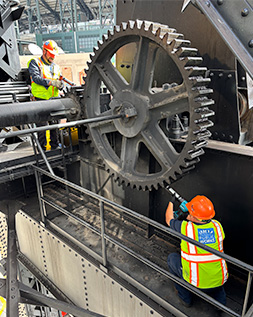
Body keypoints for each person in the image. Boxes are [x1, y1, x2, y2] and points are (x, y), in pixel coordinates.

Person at [165, 195, 228, 308]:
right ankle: (221, 306)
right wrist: (193, 212)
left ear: (195, 217)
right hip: (220, 280)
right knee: (215, 280)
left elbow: (168, 219)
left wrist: (171, 202)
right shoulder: (217, 226)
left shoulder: (186, 228)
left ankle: (185, 299)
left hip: (196, 282)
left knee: (172, 258)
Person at [28, 39, 63, 151]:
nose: (53, 57)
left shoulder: (56, 67)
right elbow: (36, 78)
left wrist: (61, 85)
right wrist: (51, 82)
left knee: (55, 125)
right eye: (51, 54)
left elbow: (59, 79)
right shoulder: (35, 62)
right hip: (40, 100)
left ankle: (55, 146)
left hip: (54, 99)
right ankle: (42, 150)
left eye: (54, 55)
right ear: (44, 51)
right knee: (42, 127)